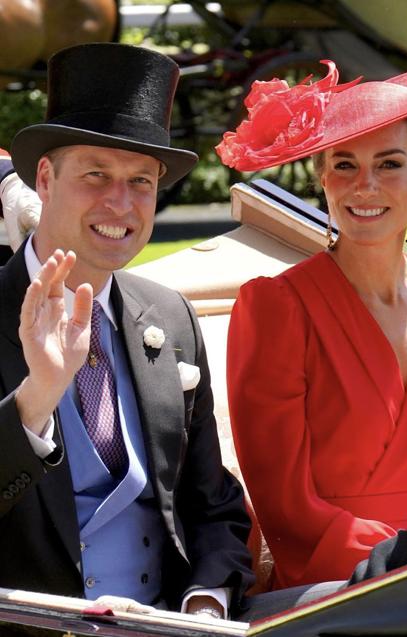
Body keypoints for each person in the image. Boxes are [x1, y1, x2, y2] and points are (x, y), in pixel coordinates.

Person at [0, 42, 257, 621]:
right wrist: (37, 398)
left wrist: (206, 603)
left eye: (141, 180)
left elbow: (211, 505)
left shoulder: (170, 318)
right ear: (45, 177)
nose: (121, 202)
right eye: (97, 174)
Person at [216, 57, 407, 590]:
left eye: (389, 165)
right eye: (344, 165)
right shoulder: (275, 307)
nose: (364, 186)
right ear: (323, 179)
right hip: (337, 585)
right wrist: (404, 568)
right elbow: (285, 508)